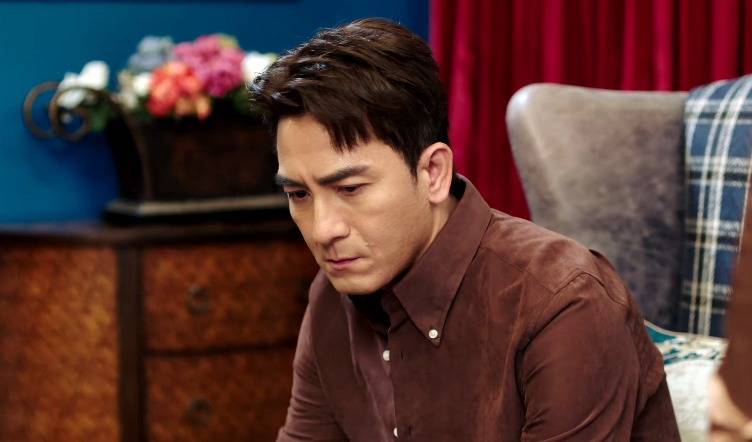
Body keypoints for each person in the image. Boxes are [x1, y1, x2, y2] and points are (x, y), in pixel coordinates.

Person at [249, 18, 679, 441]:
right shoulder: (332, 296)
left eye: (350, 189)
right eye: (299, 194)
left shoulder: (563, 302)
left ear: (433, 172)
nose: (323, 230)